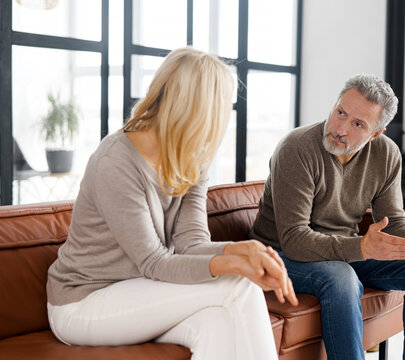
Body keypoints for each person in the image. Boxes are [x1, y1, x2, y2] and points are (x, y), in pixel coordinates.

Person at [46, 47, 297, 360]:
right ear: (197, 108)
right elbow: (155, 262)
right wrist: (234, 264)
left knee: (217, 324)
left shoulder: (193, 157)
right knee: (238, 286)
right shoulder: (115, 162)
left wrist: (243, 249)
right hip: (82, 302)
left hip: (140, 292)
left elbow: (191, 244)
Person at [251, 74, 405, 360]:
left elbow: (396, 222)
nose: (340, 128)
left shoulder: (386, 154)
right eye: (340, 112)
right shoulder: (296, 148)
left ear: (376, 133)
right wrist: (360, 247)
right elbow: (293, 239)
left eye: (358, 124)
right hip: (280, 253)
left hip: (343, 250)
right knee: (342, 276)